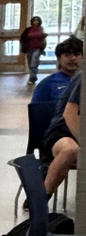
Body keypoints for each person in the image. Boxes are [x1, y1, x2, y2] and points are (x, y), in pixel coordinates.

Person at [41, 68, 81, 198]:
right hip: (63, 130)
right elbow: (69, 113)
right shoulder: (83, 78)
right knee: (70, 150)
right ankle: (41, 198)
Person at [31, 36, 83, 108]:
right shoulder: (47, 84)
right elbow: (36, 114)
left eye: (77, 55)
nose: (73, 58)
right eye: (68, 55)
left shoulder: (82, 81)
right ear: (59, 59)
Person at [20, 15, 47, 85]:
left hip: (37, 48)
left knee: (34, 63)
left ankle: (32, 77)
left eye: (37, 21)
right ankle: (32, 75)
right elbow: (23, 38)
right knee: (30, 63)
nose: (36, 22)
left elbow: (42, 37)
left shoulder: (41, 29)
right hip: (29, 48)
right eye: (34, 21)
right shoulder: (28, 30)